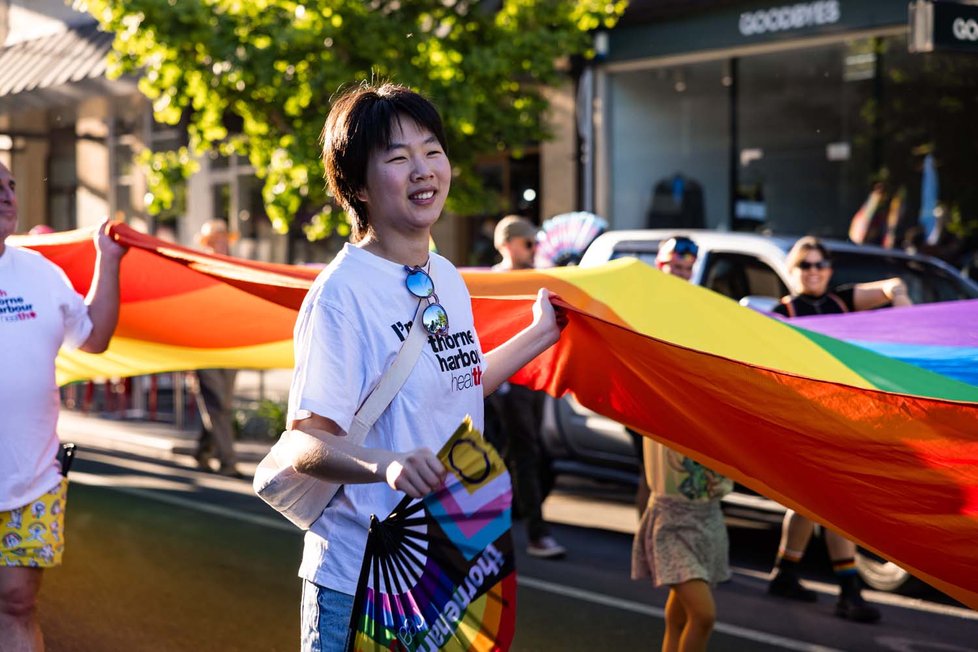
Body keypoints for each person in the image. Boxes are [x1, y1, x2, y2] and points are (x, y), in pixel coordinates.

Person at [277, 82, 566, 651]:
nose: (423, 170)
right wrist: (386, 466)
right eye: (398, 157)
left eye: (432, 151)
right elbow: (301, 444)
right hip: (364, 573)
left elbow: (460, 383)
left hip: (448, 561)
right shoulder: (342, 294)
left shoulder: (446, 277)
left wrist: (540, 336)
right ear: (356, 185)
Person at [0, 161, 127, 650]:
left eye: (11, 185)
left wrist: (108, 259)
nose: (8, 195)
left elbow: (94, 337)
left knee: (17, 604)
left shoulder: (39, 273)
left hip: (32, 479)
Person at [767, 235, 910, 623]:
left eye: (819, 265)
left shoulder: (842, 300)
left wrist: (907, 326)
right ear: (792, 271)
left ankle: (784, 573)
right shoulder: (783, 312)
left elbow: (894, 287)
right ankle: (849, 592)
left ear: (829, 270)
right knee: (834, 502)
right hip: (806, 419)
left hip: (842, 415)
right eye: (805, 265)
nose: (813, 272)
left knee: (809, 504)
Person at [631, 236, 732, 652]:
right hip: (671, 512)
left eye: (688, 263)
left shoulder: (703, 313)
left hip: (707, 513)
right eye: (674, 262)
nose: (681, 268)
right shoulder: (646, 313)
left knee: (679, 610)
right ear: (659, 264)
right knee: (703, 615)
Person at [487, 215, 565, 559]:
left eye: (536, 243)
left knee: (520, 454)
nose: (534, 249)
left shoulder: (538, 280)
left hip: (531, 381)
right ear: (507, 245)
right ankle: (534, 534)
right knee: (511, 454)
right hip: (501, 382)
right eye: (528, 243)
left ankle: (511, 531)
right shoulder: (489, 283)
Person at [630, 235, 699, 515]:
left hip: (679, 401)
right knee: (651, 474)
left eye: (686, 269)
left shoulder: (697, 303)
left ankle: (661, 537)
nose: (681, 274)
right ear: (660, 265)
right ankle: (646, 537)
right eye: (675, 267)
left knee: (672, 477)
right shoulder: (642, 299)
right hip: (645, 400)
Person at [190, 219, 243, 479]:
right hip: (205, 348)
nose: (221, 242)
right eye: (217, 239)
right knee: (219, 405)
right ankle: (228, 461)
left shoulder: (239, 269)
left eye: (224, 237)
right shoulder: (198, 270)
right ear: (209, 243)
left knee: (221, 404)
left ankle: (203, 450)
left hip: (232, 348)